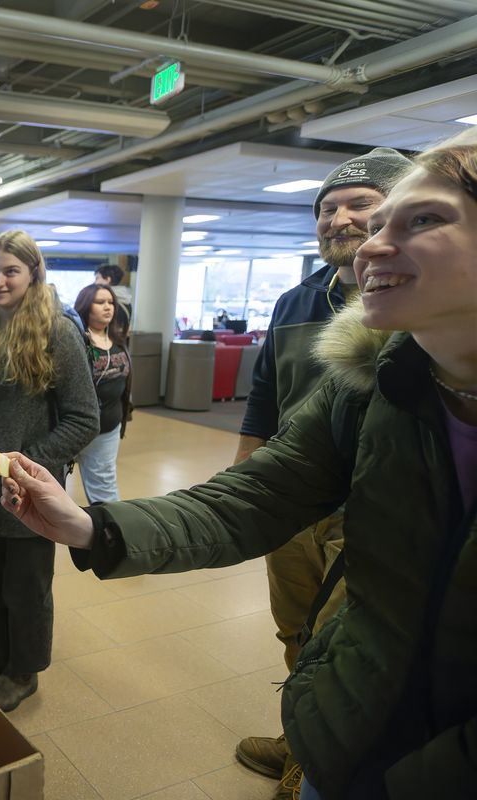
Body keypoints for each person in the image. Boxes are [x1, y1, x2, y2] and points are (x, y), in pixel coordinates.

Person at [0, 131, 477, 800]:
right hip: (356, 746)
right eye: (366, 221)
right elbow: (253, 497)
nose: (365, 241)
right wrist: (86, 526)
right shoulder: (377, 382)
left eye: (419, 219)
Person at [234, 146, 412, 795]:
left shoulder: (423, 302)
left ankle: (325, 760)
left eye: (359, 203)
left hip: (369, 515)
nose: (339, 218)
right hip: (291, 504)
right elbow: (263, 396)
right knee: (296, 632)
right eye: (327, 208)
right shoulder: (295, 301)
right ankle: (300, 735)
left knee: (344, 647)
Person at [0, 231, 98, 712]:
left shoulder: (59, 332)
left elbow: (84, 417)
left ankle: (23, 670)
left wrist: (31, 463)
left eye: (11, 270)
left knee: (25, 588)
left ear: (33, 275)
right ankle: (0, 654)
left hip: (24, 494)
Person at [72, 284, 132, 503]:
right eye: (100, 302)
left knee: (104, 489)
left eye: (111, 302)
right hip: (72, 428)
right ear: (86, 306)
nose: (108, 307)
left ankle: (109, 535)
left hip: (107, 428)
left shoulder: (118, 340)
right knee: (51, 485)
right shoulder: (75, 339)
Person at [94, 263, 133, 331]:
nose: (95, 282)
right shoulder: (126, 300)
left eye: (97, 278)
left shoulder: (108, 302)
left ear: (107, 279)